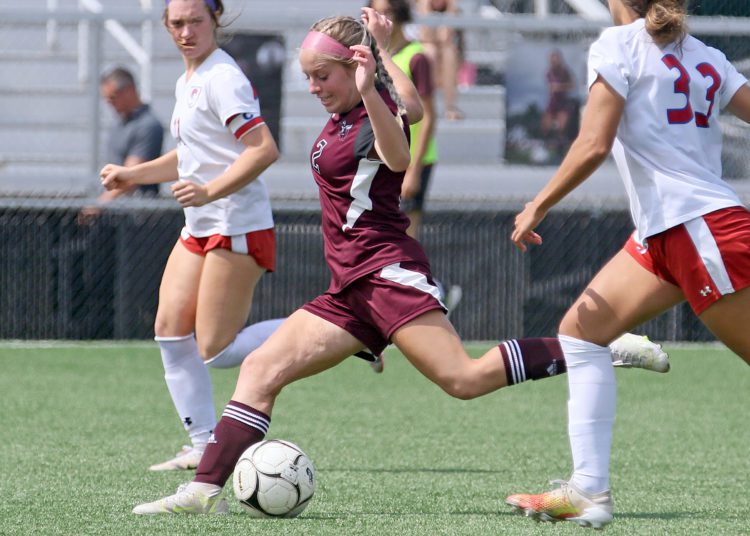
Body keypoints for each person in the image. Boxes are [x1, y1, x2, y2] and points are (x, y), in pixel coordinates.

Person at [130, 8, 670, 515]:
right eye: (309, 77)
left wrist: (370, 84)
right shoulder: (357, 108)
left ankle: (594, 347)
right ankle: (203, 489)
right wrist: (382, 54)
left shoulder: (370, 114)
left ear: (350, 69)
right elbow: (411, 106)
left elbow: (398, 154)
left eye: (323, 76)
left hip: (386, 273)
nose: (314, 88)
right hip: (349, 287)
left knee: (463, 378)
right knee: (259, 369)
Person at [506, 0, 750, 529]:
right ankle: (587, 492)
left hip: (698, 229)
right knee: (581, 332)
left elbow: (593, 144)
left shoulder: (617, 44)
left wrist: (538, 203)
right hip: (669, 232)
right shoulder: (704, 54)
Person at [100, 0, 286, 472]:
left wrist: (209, 191)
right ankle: (202, 443)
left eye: (195, 22)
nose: (186, 31)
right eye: (177, 23)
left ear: (214, 20)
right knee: (169, 330)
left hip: (237, 222)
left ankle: (342, 328)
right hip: (201, 224)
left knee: (218, 349)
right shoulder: (190, 79)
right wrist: (133, 175)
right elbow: (189, 155)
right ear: (166, 26)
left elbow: (263, 150)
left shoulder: (223, 78)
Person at [79, 67, 164, 222]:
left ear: (130, 91)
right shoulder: (118, 124)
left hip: (138, 218)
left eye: (113, 97)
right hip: (115, 215)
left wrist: (98, 205)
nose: (109, 103)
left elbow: (131, 176)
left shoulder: (148, 125)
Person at [416, 0, 464, 120]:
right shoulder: (420, 7)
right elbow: (426, 36)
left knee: (449, 52)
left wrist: (450, 11)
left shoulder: (453, 10)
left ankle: (450, 107)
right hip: (426, 56)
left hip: (444, 61)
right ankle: (427, 107)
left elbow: (445, 37)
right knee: (430, 50)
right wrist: (426, 8)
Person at [540, 49, 576, 158]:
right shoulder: (549, 72)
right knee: (546, 125)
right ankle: (546, 149)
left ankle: (562, 151)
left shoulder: (565, 72)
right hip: (553, 103)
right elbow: (550, 86)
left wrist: (560, 87)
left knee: (562, 127)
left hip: (563, 103)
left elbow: (572, 85)